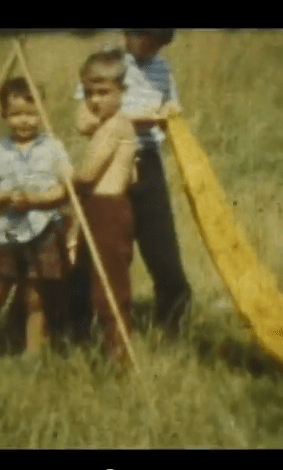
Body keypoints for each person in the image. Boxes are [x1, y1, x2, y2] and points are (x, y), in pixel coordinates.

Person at [72, 29, 192, 339]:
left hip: (147, 164)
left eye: (159, 43)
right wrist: (134, 119)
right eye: (146, 38)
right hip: (108, 167)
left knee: (163, 253)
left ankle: (172, 329)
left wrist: (165, 115)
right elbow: (83, 121)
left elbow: (172, 111)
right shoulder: (106, 63)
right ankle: (78, 330)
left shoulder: (162, 68)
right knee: (94, 253)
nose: (151, 48)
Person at [0, 77, 73, 368]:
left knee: (36, 297)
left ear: (42, 113)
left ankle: (32, 354)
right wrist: (4, 196)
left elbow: (65, 188)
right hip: (8, 233)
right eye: (17, 114)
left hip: (44, 229)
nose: (25, 121)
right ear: (4, 115)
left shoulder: (53, 148)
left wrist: (36, 199)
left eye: (32, 113)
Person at [70, 48, 138, 368]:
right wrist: (86, 101)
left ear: (122, 92)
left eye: (104, 92)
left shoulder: (116, 126)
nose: (95, 101)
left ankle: (118, 354)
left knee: (109, 286)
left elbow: (87, 173)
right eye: (88, 93)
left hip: (108, 210)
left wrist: (60, 176)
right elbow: (82, 123)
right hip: (96, 208)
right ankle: (87, 341)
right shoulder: (106, 121)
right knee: (86, 278)